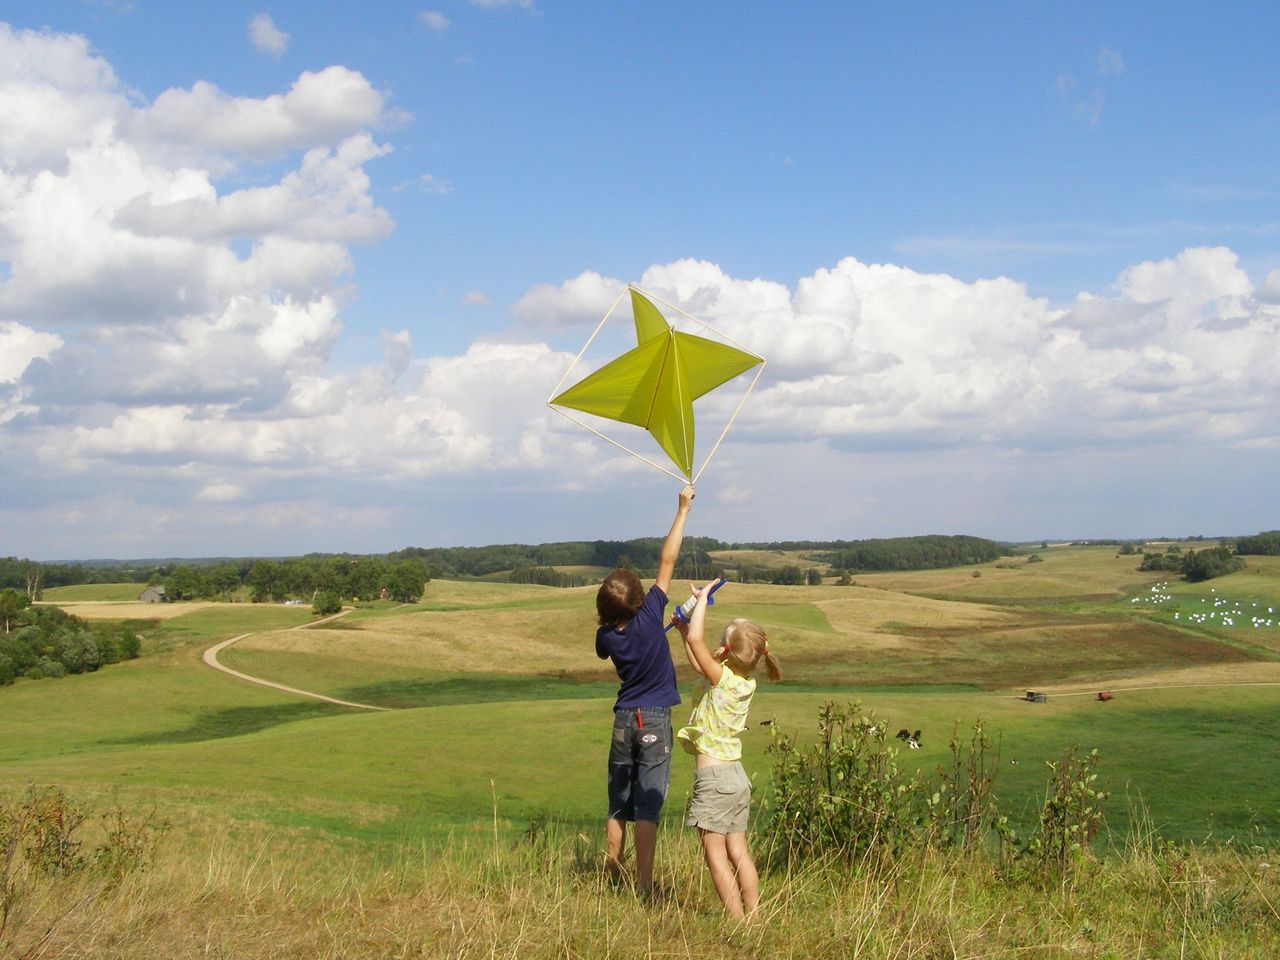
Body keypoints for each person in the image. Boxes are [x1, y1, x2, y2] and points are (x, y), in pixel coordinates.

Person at [596, 483, 696, 894]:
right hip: (654, 718)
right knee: (648, 808)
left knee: (618, 804)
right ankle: (644, 885)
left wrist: (657, 628)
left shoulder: (606, 637)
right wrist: (683, 509)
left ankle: (611, 872)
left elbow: (621, 637)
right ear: (642, 600)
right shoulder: (652, 611)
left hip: (623, 721)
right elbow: (667, 557)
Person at [671, 583, 781, 919]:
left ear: (725, 650)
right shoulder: (744, 683)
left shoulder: (722, 679)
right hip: (736, 776)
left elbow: (696, 645)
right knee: (739, 851)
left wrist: (701, 600)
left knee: (714, 854)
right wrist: (684, 628)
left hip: (714, 778)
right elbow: (698, 659)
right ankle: (755, 914)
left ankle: (736, 921)